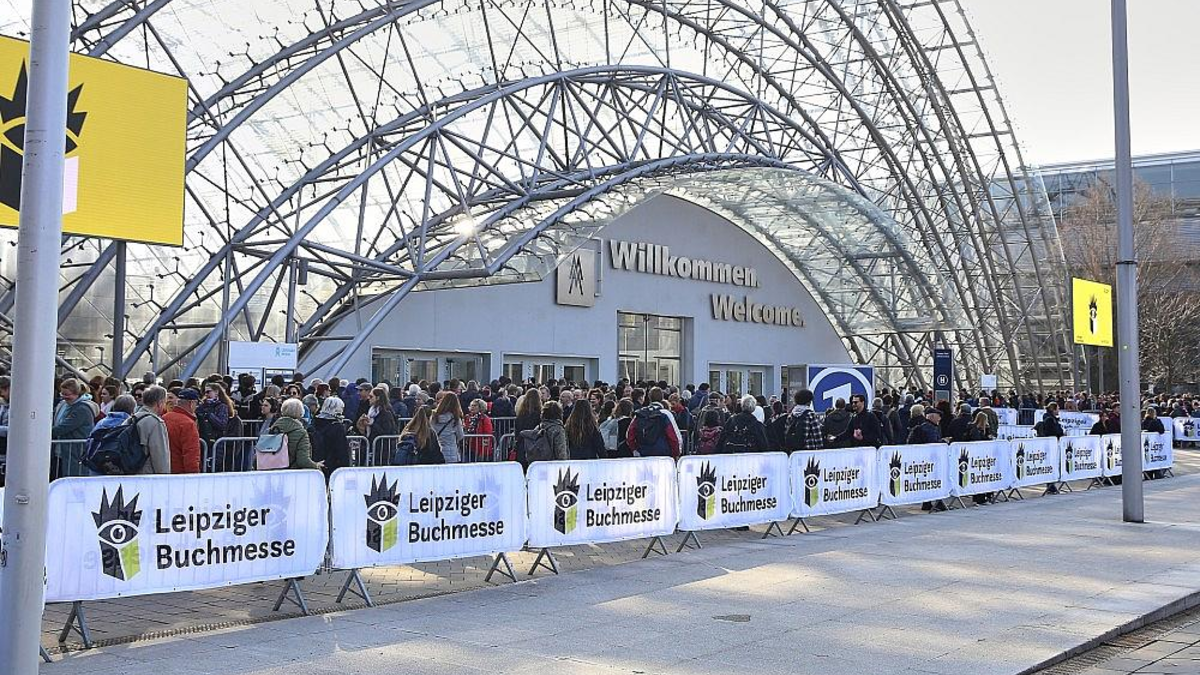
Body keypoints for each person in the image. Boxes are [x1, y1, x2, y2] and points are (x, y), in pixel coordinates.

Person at [626, 387, 682, 458]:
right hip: (663, 455)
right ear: (662, 398)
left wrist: (635, 450)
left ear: (649, 398)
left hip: (643, 453)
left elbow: (630, 434)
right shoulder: (665, 414)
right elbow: (673, 437)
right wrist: (676, 453)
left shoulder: (640, 414)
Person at [269, 398, 323, 470]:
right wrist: (316, 466)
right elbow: (303, 460)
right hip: (291, 472)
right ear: (300, 413)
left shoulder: (273, 429)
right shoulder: (301, 433)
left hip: (270, 470)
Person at [163, 388, 202, 474]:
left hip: (164, 470)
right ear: (192, 403)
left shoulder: (164, 418)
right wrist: (194, 475)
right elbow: (191, 454)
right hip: (180, 474)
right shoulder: (188, 424)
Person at [310, 397, 351, 480]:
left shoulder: (315, 422)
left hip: (317, 462)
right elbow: (341, 450)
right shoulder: (337, 427)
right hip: (333, 465)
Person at [135, 386, 172, 474]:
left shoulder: (132, 418)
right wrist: (164, 478)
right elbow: (160, 456)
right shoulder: (156, 423)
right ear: (159, 403)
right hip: (147, 476)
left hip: (130, 473)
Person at [196, 383, 235, 447]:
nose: (206, 394)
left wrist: (209, 414)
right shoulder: (202, 406)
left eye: (208, 392)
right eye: (205, 392)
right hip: (203, 439)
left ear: (216, 392)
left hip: (216, 440)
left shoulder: (222, 406)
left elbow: (222, 424)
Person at [431, 391, 465, 463]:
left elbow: (431, 430)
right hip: (451, 451)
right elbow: (460, 435)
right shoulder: (455, 418)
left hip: (437, 450)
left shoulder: (434, 416)